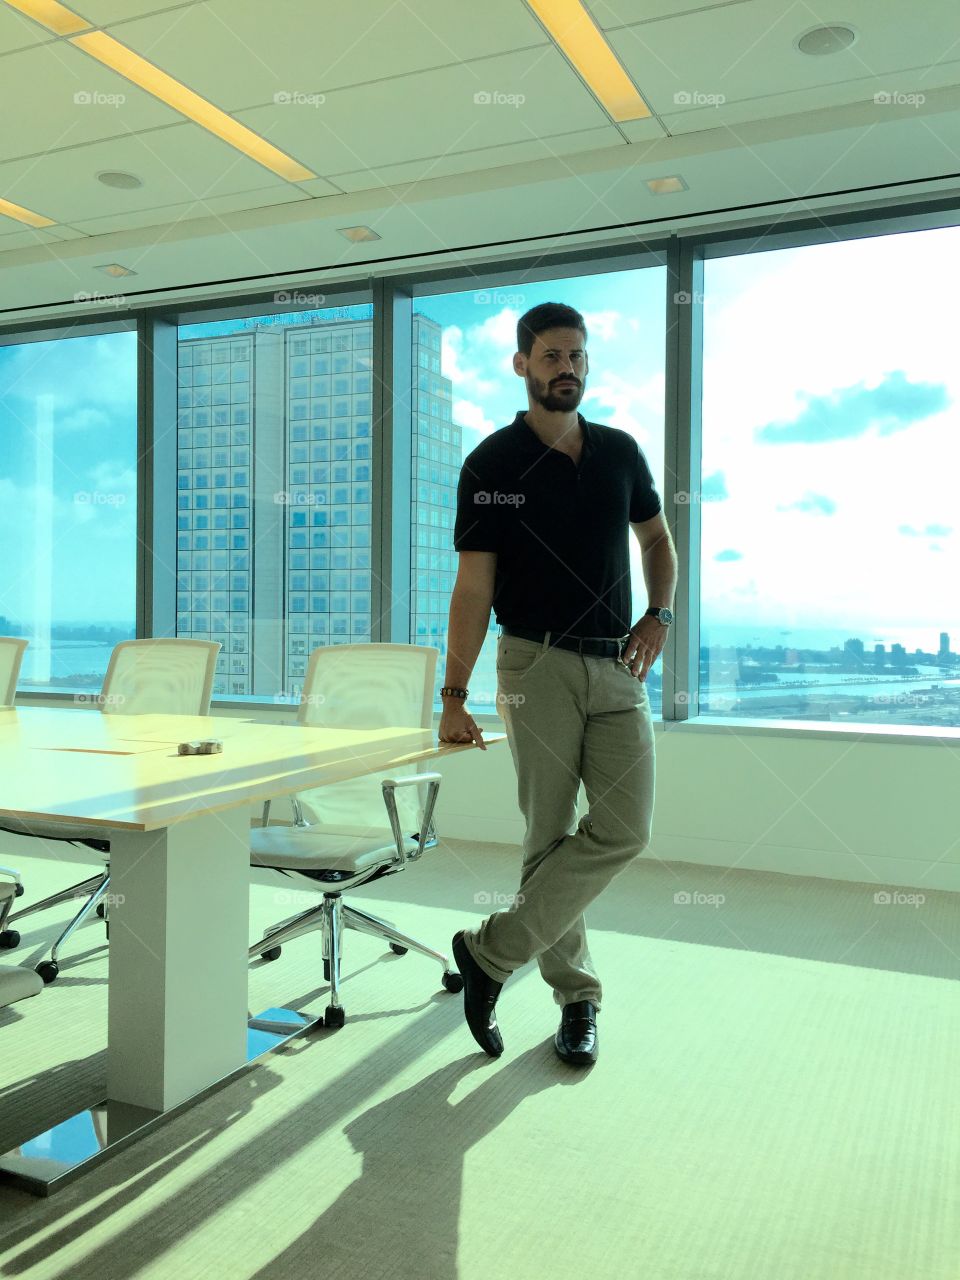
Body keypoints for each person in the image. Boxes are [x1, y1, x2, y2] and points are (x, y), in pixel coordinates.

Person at [439, 300, 679, 1065]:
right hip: (531, 664)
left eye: (576, 356)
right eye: (550, 356)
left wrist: (660, 617)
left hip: (618, 664)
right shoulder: (490, 465)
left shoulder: (618, 451)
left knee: (624, 829)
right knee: (547, 836)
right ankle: (578, 998)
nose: (565, 367)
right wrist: (454, 693)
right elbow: (473, 588)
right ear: (521, 365)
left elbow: (657, 539)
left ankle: (489, 953)